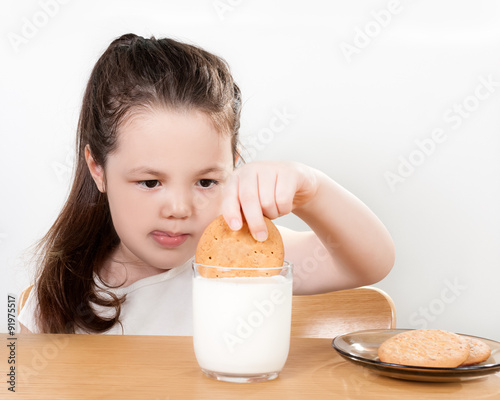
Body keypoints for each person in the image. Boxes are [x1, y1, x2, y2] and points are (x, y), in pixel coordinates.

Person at [18, 33, 395, 335]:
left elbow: (372, 261)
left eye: (205, 181)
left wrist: (312, 189)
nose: (180, 208)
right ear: (97, 169)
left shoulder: (244, 268)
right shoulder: (59, 296)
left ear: (232, 166)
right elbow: (17, 381)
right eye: (150, 182)